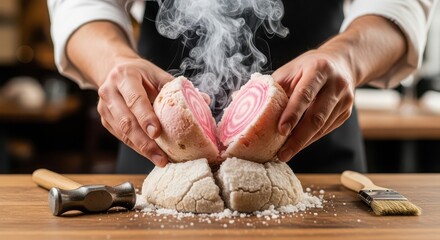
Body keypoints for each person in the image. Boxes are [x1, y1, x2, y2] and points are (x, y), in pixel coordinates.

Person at [48, 0, 436, 173]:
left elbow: (401, 4)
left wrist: (347, 58)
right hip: (157, 155)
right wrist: (114, 61)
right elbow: (80, 4)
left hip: (314, 147)